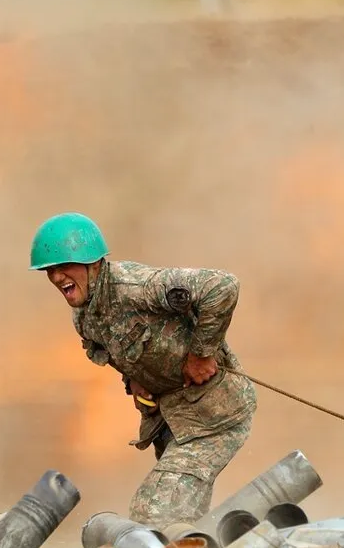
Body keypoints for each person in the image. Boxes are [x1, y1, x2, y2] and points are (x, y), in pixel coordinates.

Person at [29, 211, 256, 530]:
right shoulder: (85, 317)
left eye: (63, 266)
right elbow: (120, 350)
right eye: (49, 270)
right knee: (179, 515)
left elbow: (222, 287)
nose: (55, 277)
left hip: (214, 415)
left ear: (93, 263)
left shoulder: (137, 287)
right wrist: (134, 380)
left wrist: (201, 354)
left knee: (154, 515)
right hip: (173, 420)